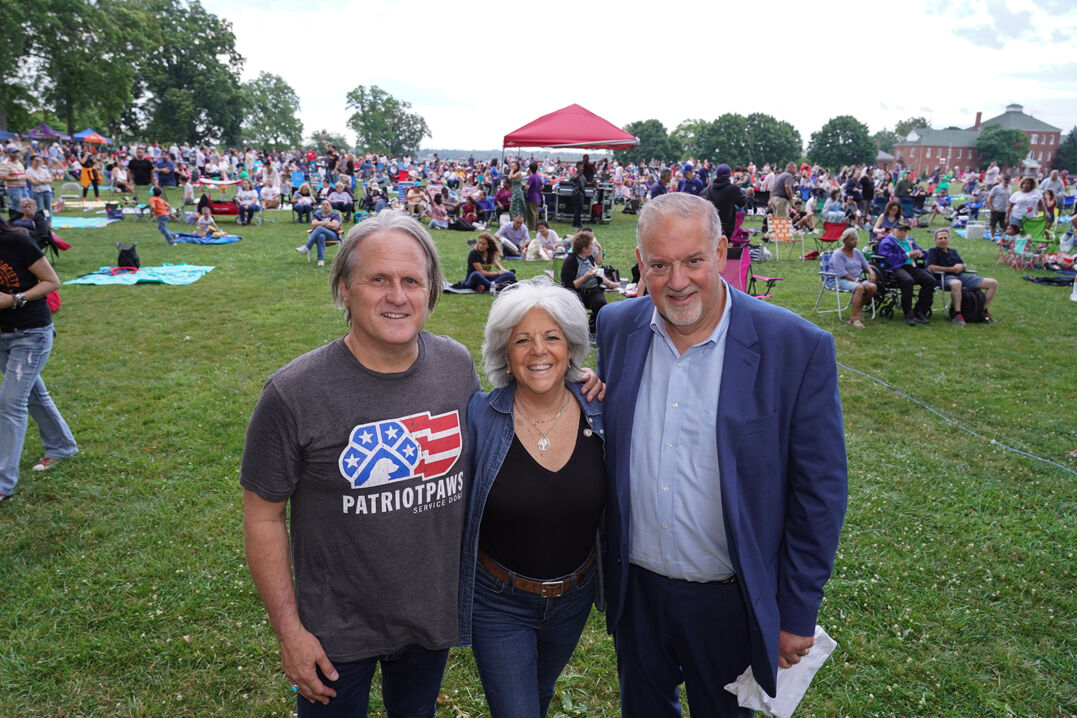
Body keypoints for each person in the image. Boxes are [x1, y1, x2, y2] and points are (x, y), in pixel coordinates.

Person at [594, 192, 847, 718]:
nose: (677, 281)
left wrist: (796, 611)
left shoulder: (795, 346)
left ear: (721, 252)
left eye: (693, 261)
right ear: (640, 263)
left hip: (731, 601)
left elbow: (819, 493)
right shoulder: (617, 326)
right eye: (659, 265)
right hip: (636, 591)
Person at [242, 211, 481, 717]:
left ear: (431, 291)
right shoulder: (293, 393)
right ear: (345, 290)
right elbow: (263, 518)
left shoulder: (456, 367)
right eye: (378, 280)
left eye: (412, 281)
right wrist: (289, 633)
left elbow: (509, 426)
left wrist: (577, 384)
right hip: (334, 633)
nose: (398, 296)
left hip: (428, 617)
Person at [460, 279, 605, 718]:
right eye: (522, 340)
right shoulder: (479, 418)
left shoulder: (602, 411)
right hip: (498, 601)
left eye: (552, 337)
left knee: (539, 693)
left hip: (573, 599)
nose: (538, 350)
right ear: (505, 354)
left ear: (571, 347)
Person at [0, 217, 79, 501]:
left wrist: (15, 299)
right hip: (2, 336)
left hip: (31, 334)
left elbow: (52, 281)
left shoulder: (16, 241)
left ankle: (3, 483)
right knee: (32, 394)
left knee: (10, 403)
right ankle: (62, 447)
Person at [925, 228, 998, 326]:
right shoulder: (933, 251)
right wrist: (951, 269)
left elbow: (963, 265)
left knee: (993, 283)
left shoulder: (953, 251)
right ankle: (957, 314)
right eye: (940, 238)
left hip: (961, 276)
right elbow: (931, 267)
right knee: (957, 283)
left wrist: (962, 266)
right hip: (944, 278)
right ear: (935, 241)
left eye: (945, 238)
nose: (943, 240)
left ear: (949, 239)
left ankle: (983, 311)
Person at [560, 230, 618, 336]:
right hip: (578, 293)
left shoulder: (589, 257)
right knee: (586, 306)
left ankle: (593, 330)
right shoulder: (571, 261)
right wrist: (585, 277)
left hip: (593, 290)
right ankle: (583, 330)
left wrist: (612, 284)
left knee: (601, 304)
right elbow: (568, 285)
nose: (593, 247)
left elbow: (598, 275)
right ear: (584, 248)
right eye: (591, 244)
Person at [877, 222, 934, 325]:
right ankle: (908, 313)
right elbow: (889, 259)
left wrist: (921, 254)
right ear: (893, 230)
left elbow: (923, 253)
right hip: (895, 268)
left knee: (930, 280)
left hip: (911, 267)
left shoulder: (910, 241)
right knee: (908, 280)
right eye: (900, 230)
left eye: (905, 230)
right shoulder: (887, 242)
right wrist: (907, 255)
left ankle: (920, 311)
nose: (903, 233)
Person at [828, 228, 878, 328]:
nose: (855, 241)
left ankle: (858, 308)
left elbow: (866, 265)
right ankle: (854, 318)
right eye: (852, 239)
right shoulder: (838, 254)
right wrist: (856, 281)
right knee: (859, 288)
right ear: (844, 241)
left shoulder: (857, 252)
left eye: (856, 239)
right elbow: (842, 273)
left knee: (872, 287)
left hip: (856, 279)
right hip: (838, 280)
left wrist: (871, 272)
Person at [700, 163, 745, 240]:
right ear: (729, 175)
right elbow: (742, 202)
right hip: (726, 228)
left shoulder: (706, 190)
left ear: (716, 175)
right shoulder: (733, 189)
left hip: (709, 226)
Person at [295, 200, 341, 267]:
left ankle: (306, 247)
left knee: (319, 228)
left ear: (331, 207)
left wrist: (319, 224)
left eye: (327, 204)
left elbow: (335, 226)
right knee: (321, 236)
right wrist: (326, 222)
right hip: (319, 236)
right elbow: (313, 225)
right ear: (321, 207)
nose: (325, 206)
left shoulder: (335, 215)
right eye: (323, 204)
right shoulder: (317, 215)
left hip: (332, 236)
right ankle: (321, 260)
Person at [525, 162, 543, 231]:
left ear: (530, 169)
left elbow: (527, 187)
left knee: (531, 213)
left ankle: (532, 228)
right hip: (538, 197)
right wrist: (537, 189)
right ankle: (536, 228)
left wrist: (524, 190)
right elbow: (542, 186)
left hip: (532, 197)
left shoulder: (531, 177)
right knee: (536, 213)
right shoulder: (538, 176)